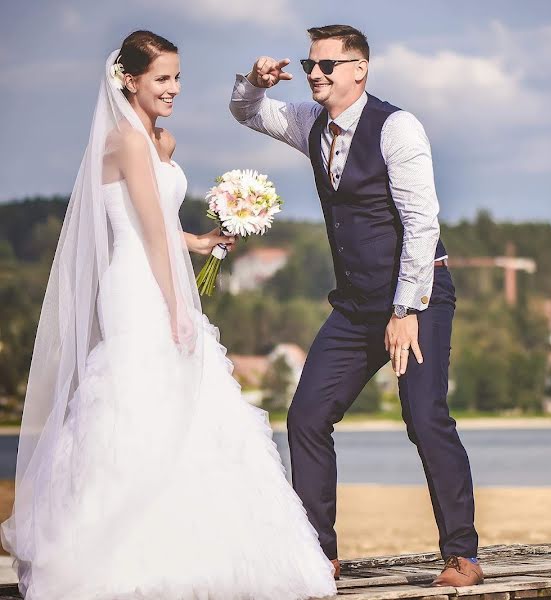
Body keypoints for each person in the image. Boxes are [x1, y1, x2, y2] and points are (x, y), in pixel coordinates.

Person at [1, 30, 337, 600]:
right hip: (136, 287)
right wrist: (179, 304)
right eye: (161, 78)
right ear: (128, 79)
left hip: (159, 271)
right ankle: (120, 551)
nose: (173, 88)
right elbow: (149, 235)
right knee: (137, 403)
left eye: (177, 77)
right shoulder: (125, 142)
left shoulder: (161, 142)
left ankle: (205, 546)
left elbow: (155, 220)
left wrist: (200, 242)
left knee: (193, 403)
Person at [230, 24, 483, 587]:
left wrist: (405, 310)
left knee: (424, 417)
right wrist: (254, 82)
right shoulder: (308, 121)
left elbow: (422, 224)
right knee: (306, 417)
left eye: (327, 65)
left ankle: (462, 554)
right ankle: (319, 553)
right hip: (354, 306)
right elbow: (247, 112)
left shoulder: (397, 127)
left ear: (359, 68)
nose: (314, 74)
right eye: (309, 64)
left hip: (419, 298)